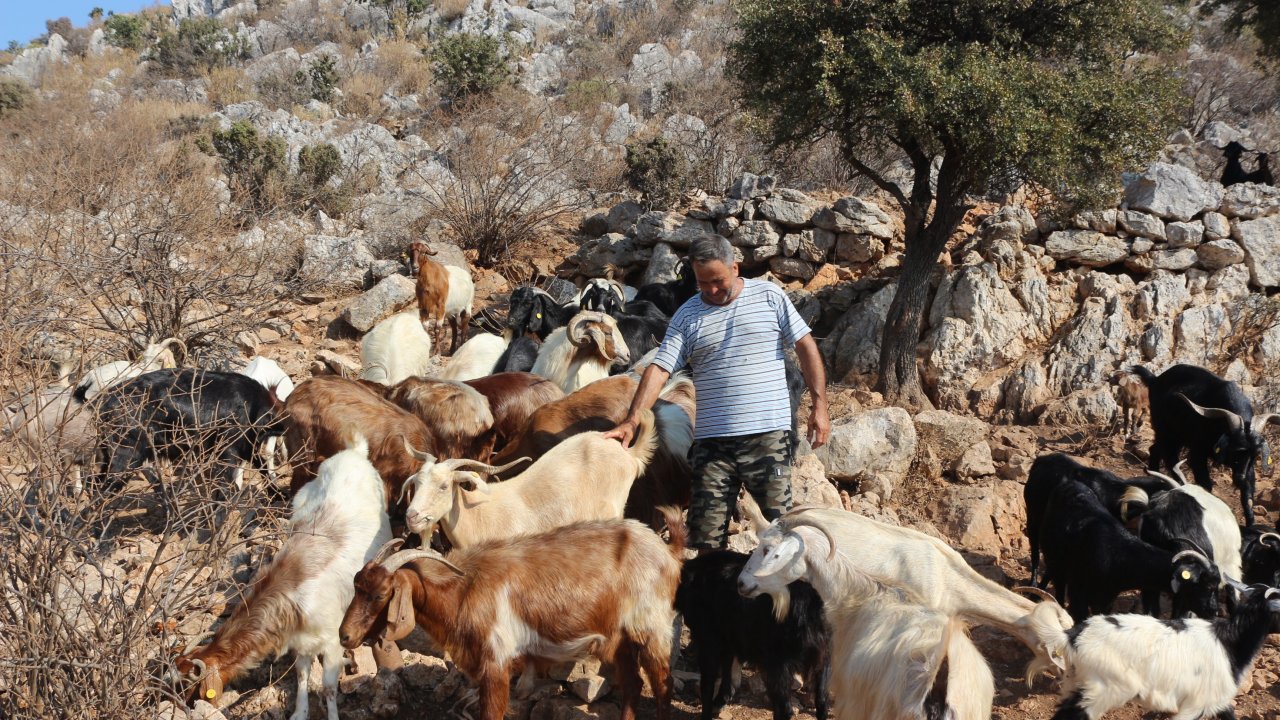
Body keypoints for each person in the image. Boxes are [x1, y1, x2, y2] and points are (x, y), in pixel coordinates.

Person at [603, 235, 830, 551]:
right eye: (702, 283)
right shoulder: (687, 315)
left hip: (766, 437)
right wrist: (632, 420)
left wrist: (820, 406)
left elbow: (805, 346)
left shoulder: (770, 297)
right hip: (712, 446)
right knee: (705, 540)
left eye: (717, 281)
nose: (710, 290)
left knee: (779, 534)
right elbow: (660, 368)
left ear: (735, 268)